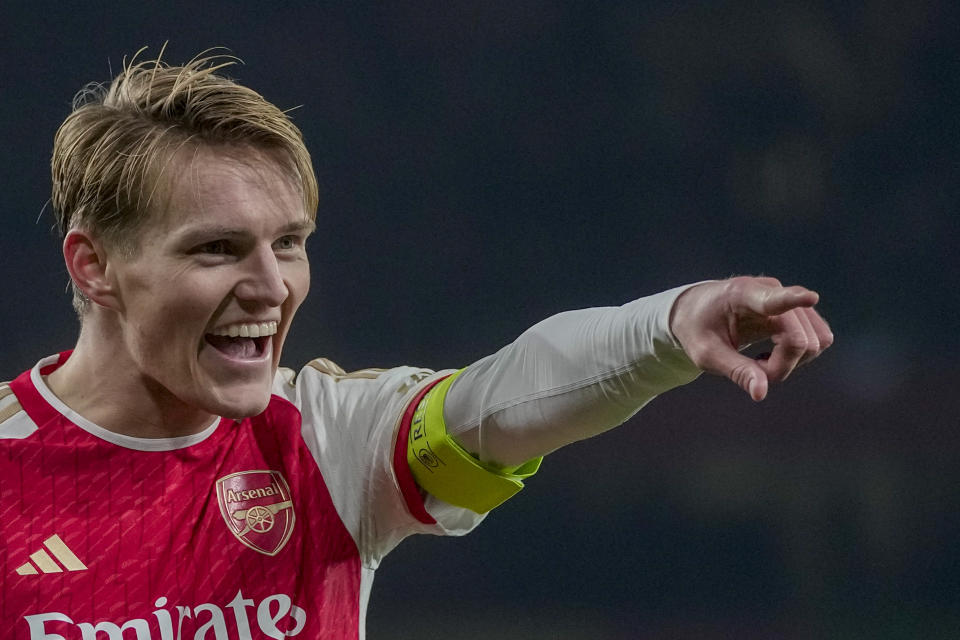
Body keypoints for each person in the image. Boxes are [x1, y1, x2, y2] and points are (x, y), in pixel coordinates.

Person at [0, 50, 832, 640]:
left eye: (289, 243)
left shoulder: (325, 437)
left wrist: (667, 324)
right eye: (215, 249)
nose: (271, 285)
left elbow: (499, 400)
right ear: (95, 264)